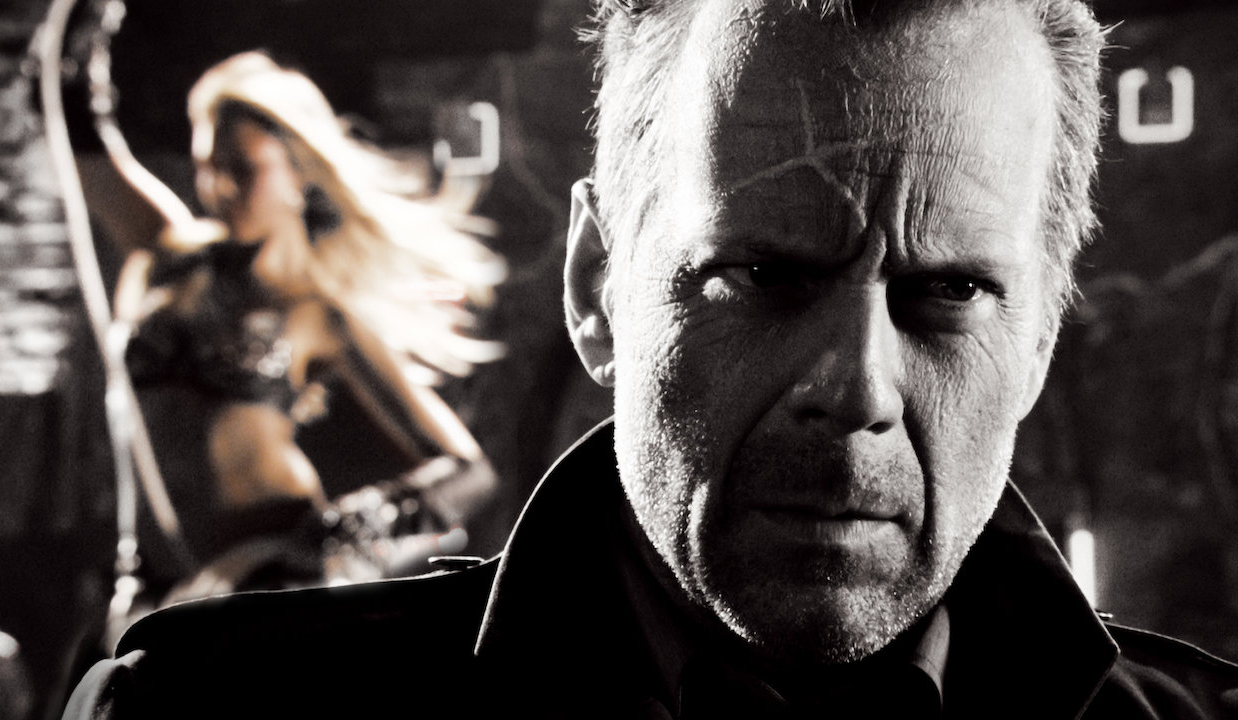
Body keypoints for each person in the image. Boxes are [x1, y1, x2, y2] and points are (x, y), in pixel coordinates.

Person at [63, 1, 1238, 718]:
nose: (856, 388)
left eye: (948, 293)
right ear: (596, 285)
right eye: (762, 274)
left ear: (1037, 338)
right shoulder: (209, 710)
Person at [93, 51, 506, 602]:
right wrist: (74, 46)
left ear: (298, 176)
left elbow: (469, 470)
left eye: (242, 168)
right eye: (206, 166)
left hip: (266, 585)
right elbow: (84, 149)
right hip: (156, 582)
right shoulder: (173, 257)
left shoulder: (318, 312)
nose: (218, 188)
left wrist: (336, 539)